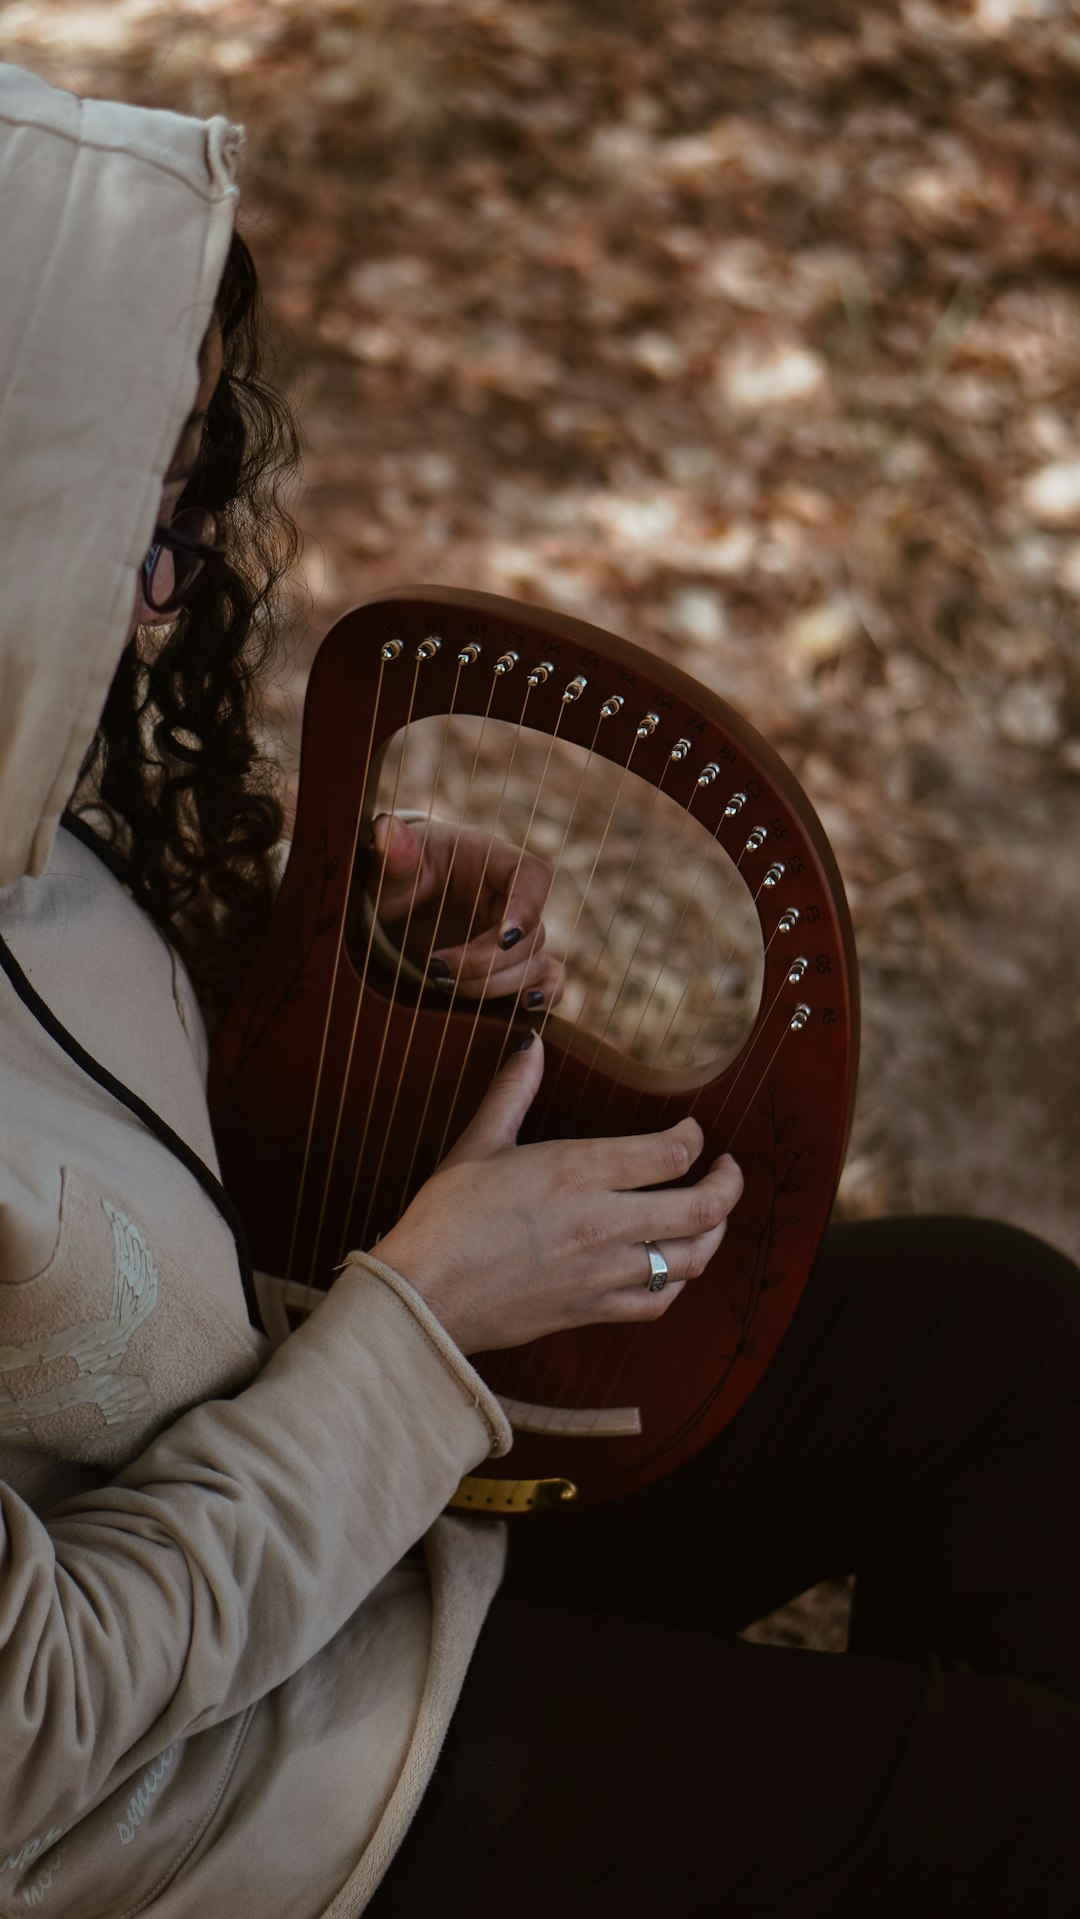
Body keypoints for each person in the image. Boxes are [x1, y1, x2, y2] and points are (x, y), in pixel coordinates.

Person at [0, 63, 1076, 1919]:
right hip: (220, 1787)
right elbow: (27, 1734)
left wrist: (343, 980)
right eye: (125, 518)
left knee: (1006, 1343)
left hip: (357, 1518)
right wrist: (425, 1318)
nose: (165, 595)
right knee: (1023, 1798)